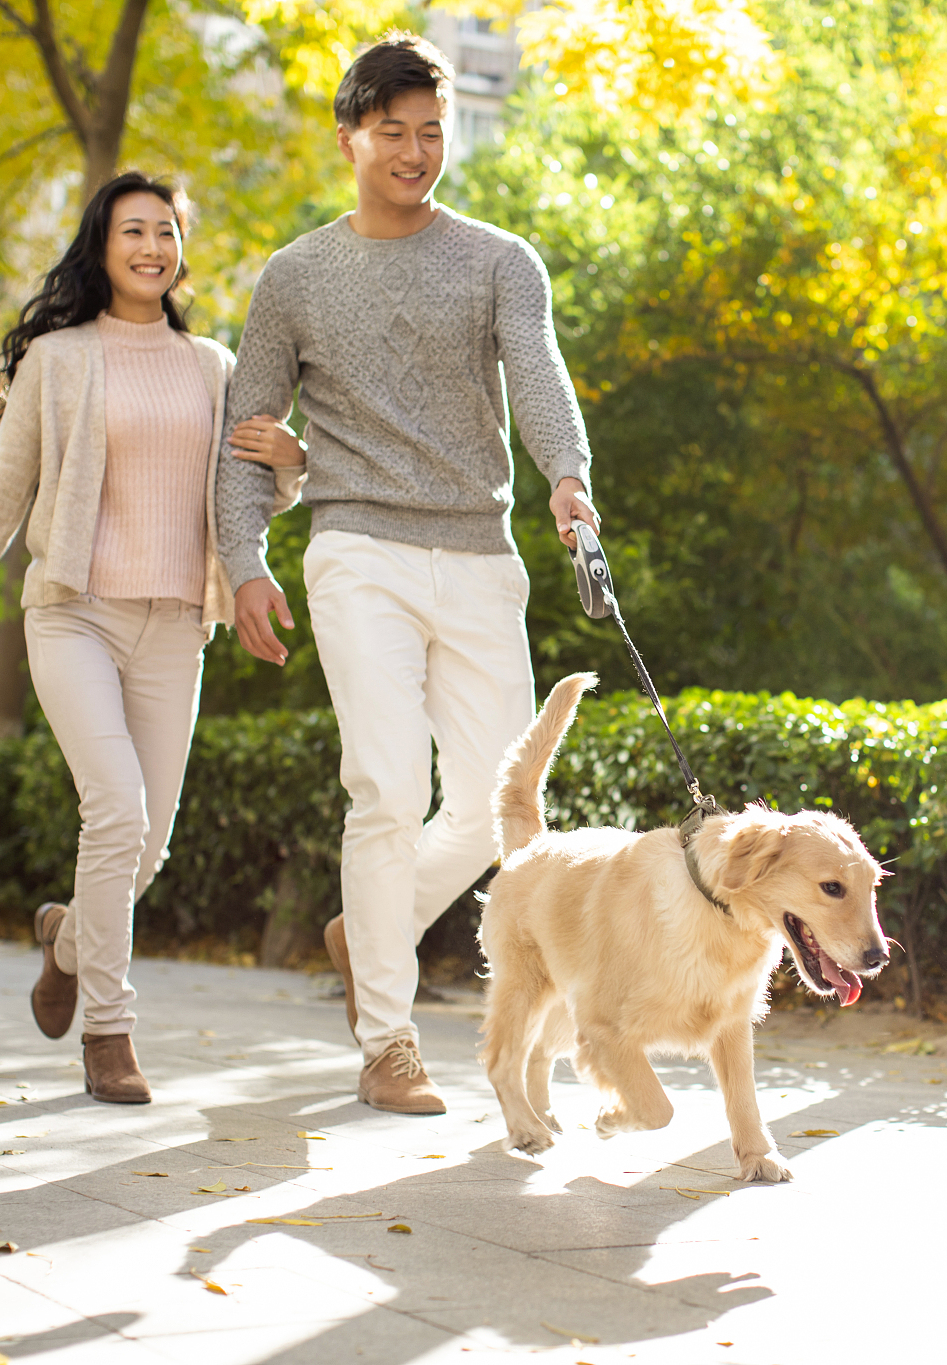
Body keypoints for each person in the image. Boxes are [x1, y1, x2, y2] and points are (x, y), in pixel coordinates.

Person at [216, 34, 600, 1116]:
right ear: (349, 136)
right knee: (383, 785)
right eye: (393, 133)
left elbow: (538, 376)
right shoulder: (293, 278)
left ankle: (365, 929)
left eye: (432, 132)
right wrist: (243, 561)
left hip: (480, 554)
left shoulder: (497, 260)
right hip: (357, 553)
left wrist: (567, 479)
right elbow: (247, 432)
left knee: (497, 802)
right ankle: (387, 1041)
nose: (416, 152)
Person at [0, 171, 306, 1104]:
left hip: (175, 620)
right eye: (133, 230)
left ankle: (66, 939)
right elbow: (0, 501)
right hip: (73, 611)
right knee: (116, 809)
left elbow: (247, 480)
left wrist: (297, 464)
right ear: (101, 246)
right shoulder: (59, 359)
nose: (151, 247)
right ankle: (110, 1029)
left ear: (179, 249)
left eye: (166, 231)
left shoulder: (210, 364)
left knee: (151, 844)